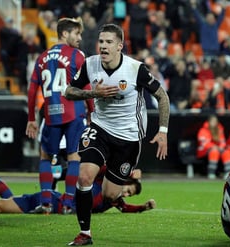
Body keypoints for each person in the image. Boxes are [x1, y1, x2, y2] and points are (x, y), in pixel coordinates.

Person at [64, 23, 170, 245]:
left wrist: (162, 131)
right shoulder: (90, 64)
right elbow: (69, 91)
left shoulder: (135, 69)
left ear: (120, 46)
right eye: (101, 41)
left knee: (110, 196)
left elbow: (162, 97)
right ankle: (85, 234)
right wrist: (93, 93)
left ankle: (119, 190)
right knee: (84, 176)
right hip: (100, 128)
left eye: (108, 42)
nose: (103, 46)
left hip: (128, 137)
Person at [26, 18, 93, 214]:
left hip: (51, 113)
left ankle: (46, 203)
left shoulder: (42, 57)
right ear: (65, 34)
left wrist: (31, 118)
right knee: (74, 157)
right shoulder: (77, 55)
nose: (80, 38)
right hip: (74, 112)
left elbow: (31, 90)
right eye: (77, 34)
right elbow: (86, 86)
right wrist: (92, 112)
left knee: (46, 156)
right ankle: (68, 204)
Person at [0, 158, 155, 214]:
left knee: (9, 201)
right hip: (51, 203)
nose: (124, 194)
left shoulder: (113, 200)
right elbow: (108, 166)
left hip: (53, 203)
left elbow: (126, 208)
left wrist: (144, 207)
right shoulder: (101, 180)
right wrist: (131, 168)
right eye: (126, 188)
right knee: (1, 206)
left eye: (128, 193)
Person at [196, 115, 230, 179]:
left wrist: (221, 147)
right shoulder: (203, 130)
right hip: (204, 150)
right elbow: (203, 143)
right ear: (209, 122)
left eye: (215, 121)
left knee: (227, 152)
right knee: (214, 152)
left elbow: (222, 141)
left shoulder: (219, 129)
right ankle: (211, 172)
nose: (214, 123)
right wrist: (213, 146)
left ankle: (228, 173)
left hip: (218, 149)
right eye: (212, 121)